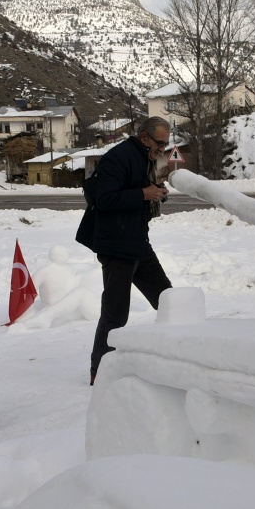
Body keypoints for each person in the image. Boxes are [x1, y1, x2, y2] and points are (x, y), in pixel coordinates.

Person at [75, 117, 174, 383]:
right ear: (144, 137)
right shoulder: (118, 157)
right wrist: (144, 194)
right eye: (160, 143)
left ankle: (179, 358)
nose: (163, 148)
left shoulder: (145, 157)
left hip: (137, 241)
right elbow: (105, 199)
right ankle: (100, 370)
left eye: (166, 144)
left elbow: (137, 190)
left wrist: (155, 192)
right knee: (115, 312)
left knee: (168, 300)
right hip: (116, 245)